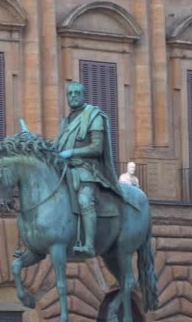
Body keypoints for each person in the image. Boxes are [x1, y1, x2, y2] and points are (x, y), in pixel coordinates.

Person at [55, 81, 123, 257]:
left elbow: (96, 148)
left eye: (77, 93)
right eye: (70, 94)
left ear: (84, 95)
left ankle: (89, 245)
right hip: (66, 170)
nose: (73, 96)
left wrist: (71, 152)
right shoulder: (66, 121)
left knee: (85, 200)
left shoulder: (94, 116)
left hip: (87, 171)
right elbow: (57, 147)